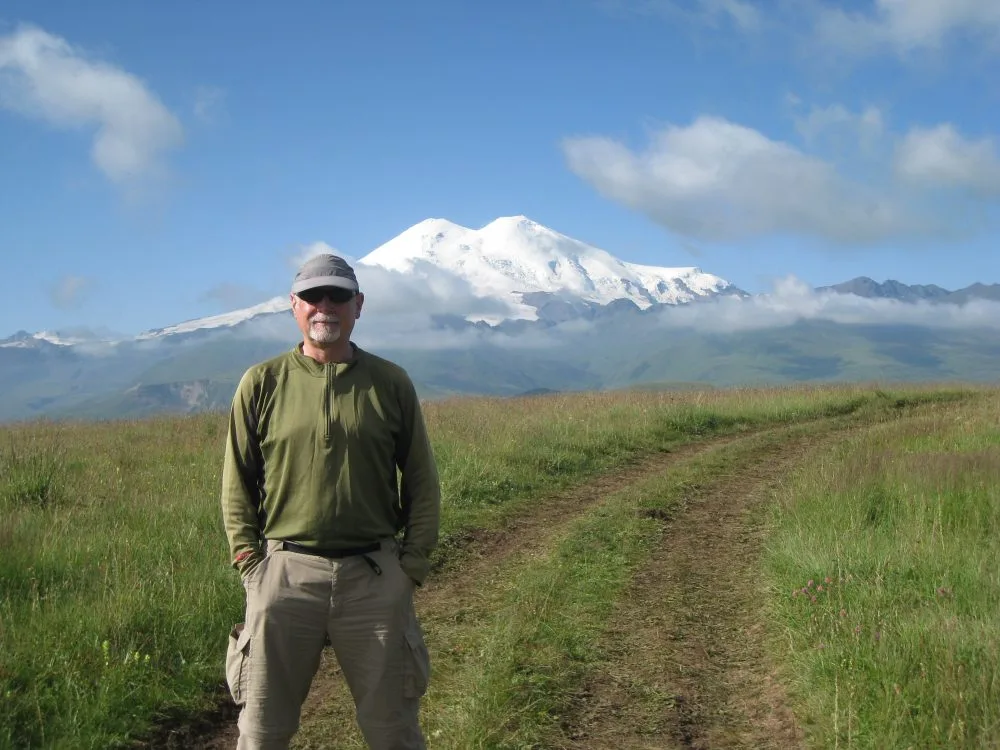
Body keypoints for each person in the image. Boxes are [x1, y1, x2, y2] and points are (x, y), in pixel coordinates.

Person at [220, 253, 441, 750]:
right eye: (313, 296)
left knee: (394, 733)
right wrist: (251, 566)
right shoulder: (262, 383)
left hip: (374, 578)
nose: (326, 305)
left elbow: (422, 481)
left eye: (338, 295)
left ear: (358, 305)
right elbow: (237, 482)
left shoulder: (390, 383)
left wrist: (410, 567)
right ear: (294, 305)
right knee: (261, 732)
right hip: (283, 577)